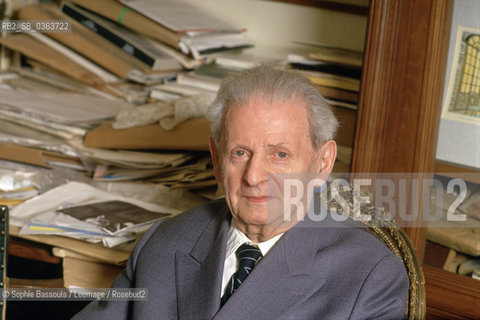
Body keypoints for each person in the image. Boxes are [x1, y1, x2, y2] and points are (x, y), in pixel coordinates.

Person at [72, 65, 408, 320]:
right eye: (240, 153)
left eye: (279, 155)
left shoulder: (370, 276)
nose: (255, 176)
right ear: (217, 159)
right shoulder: (164, 243)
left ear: (322, 163)